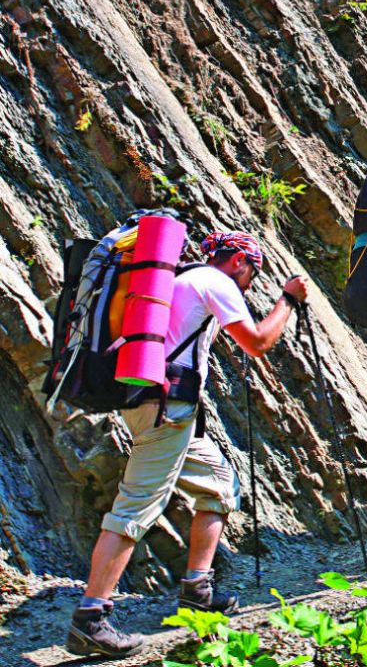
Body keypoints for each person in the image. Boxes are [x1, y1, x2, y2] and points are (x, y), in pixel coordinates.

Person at [66, 231, 310, 659]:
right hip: (168, 410)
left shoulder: (180, 280)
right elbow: (257, 342)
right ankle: (90, 618)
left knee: (218, 484)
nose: (252, 279)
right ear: (238, 261)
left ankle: (197, 589)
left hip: (152, 404)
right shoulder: (215, 282)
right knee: (135, 507)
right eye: (254, 270)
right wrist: (287, 300)